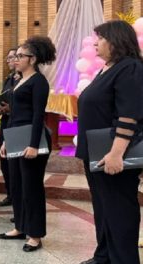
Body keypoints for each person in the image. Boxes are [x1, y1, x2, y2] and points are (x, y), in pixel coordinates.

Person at [76, 20, 143, 264]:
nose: (96, 42)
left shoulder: (131, 68)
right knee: (103, 208)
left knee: (119, 210)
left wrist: (116, 153)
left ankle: (123, 259)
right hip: (96, 151)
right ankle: (104, 255)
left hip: (113, 152)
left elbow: (129, 114)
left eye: (101, 38)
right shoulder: (107, 68)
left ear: (116, 40)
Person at [0, 36, 55, 252]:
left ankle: (35, 234)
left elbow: (38, 115)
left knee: (31, 187)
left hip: (32, 138)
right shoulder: (18, 80)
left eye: (20, 56)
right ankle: (20, 226)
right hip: (15, 136)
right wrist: (6, 140)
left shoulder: (38, 81)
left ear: (32, 59)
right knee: (17, 185)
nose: (16, 59)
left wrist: (33, 145)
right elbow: (14, 114)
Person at [0, 48, 18, 208]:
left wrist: (11, 108)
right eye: (8, 57)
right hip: (6, 122)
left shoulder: (26, 79)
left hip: (17, 125)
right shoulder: (9, 78)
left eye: (11, 57)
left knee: (15, 163)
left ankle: (18, 198)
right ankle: (10, 193)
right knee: (4, 160)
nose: (8, 60)